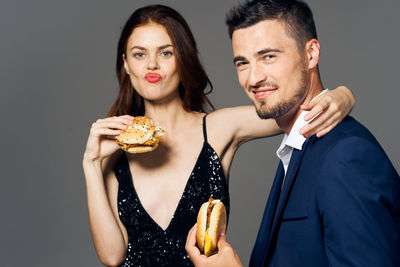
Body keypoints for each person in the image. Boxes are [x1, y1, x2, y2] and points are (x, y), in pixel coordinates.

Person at [83, 4, 355, 267]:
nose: (152, 65)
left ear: (184, 59)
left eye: (166, 53)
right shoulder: (114, 147)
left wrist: (342, 95)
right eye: (139, 54)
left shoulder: (219, 128)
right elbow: (112, 256)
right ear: (126, 64)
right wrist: (92, 164)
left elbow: (293, 108)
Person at [185, 0, 400, 266]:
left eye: (268, 57)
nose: (253, 78)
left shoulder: (346, 156)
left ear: (311, 54)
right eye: (242, 63)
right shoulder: (298, 148)